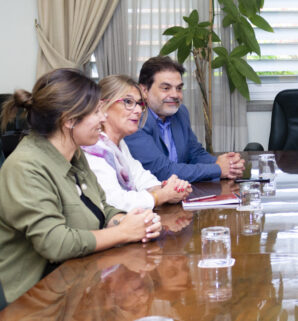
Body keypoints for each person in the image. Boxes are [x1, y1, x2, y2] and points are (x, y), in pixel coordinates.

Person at [0, 69, 162, 303]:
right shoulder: (25, 167)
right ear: (68, 120)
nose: (103, 118)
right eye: (96, 112)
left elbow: (103, 206)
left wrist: (126, 221)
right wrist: (123, 232)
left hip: (80, 284)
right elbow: (55, 244)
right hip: (37, 302)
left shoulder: (74, 152)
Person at [125, 56, 245, 182]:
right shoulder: (135, 120)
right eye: (166, 88)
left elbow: (195, 154)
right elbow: (162, 171)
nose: (175, 95)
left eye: (179, 88)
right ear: (144, 90)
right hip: (152, 196)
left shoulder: (180, 113)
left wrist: (229, 164)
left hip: (181, 192)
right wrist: (218, 169)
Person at [82, 75, 192, 212]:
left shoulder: (118, 143)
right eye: (128, 102)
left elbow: (142, 178)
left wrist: (168, 188)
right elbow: (114, 201)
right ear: (103, 106)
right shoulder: (93, 148)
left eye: (140, 104)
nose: (138, 110)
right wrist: (161, 195)